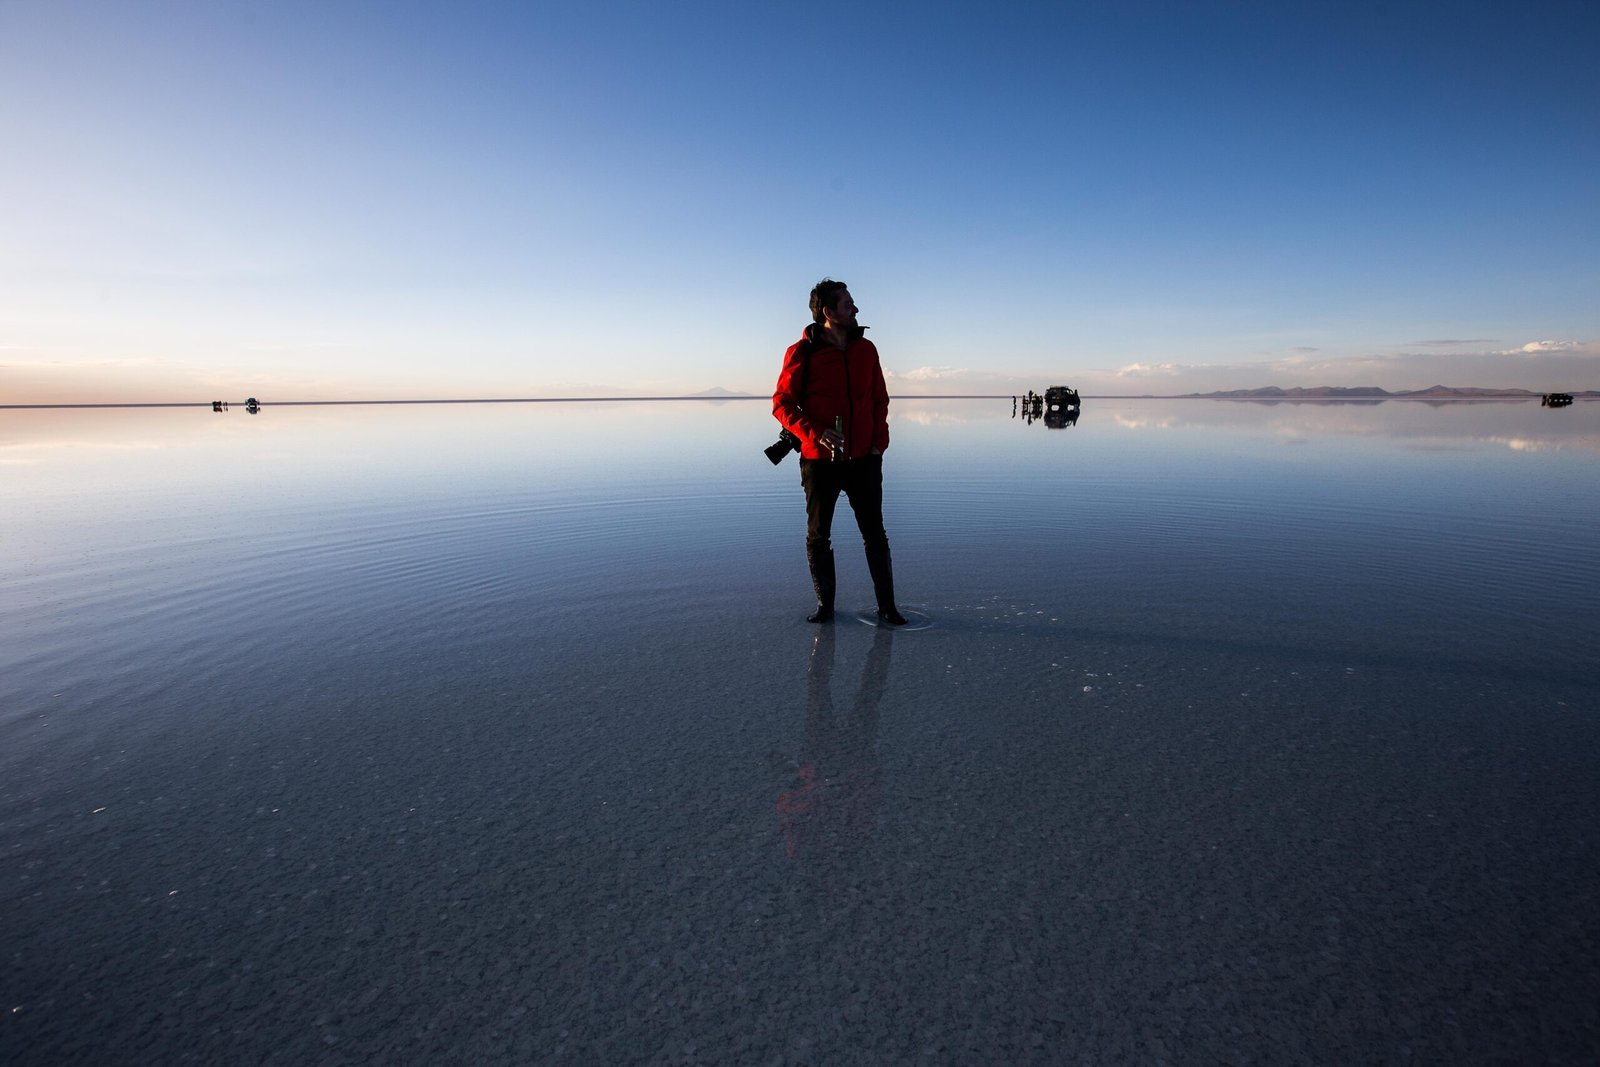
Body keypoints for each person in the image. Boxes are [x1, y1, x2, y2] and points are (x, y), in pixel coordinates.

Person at [772, 279, 907, 626]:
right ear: (828, 312)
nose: (856, 309)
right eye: (848, 304)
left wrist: (880, 443)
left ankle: (888, 608)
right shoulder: (801, 353)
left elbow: (880, 399)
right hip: (819, 462)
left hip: (865, 459)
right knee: (819, 535)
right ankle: (826, 608)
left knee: (875, 533)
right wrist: (814, 434)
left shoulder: (867, 349)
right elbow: (782, 404)